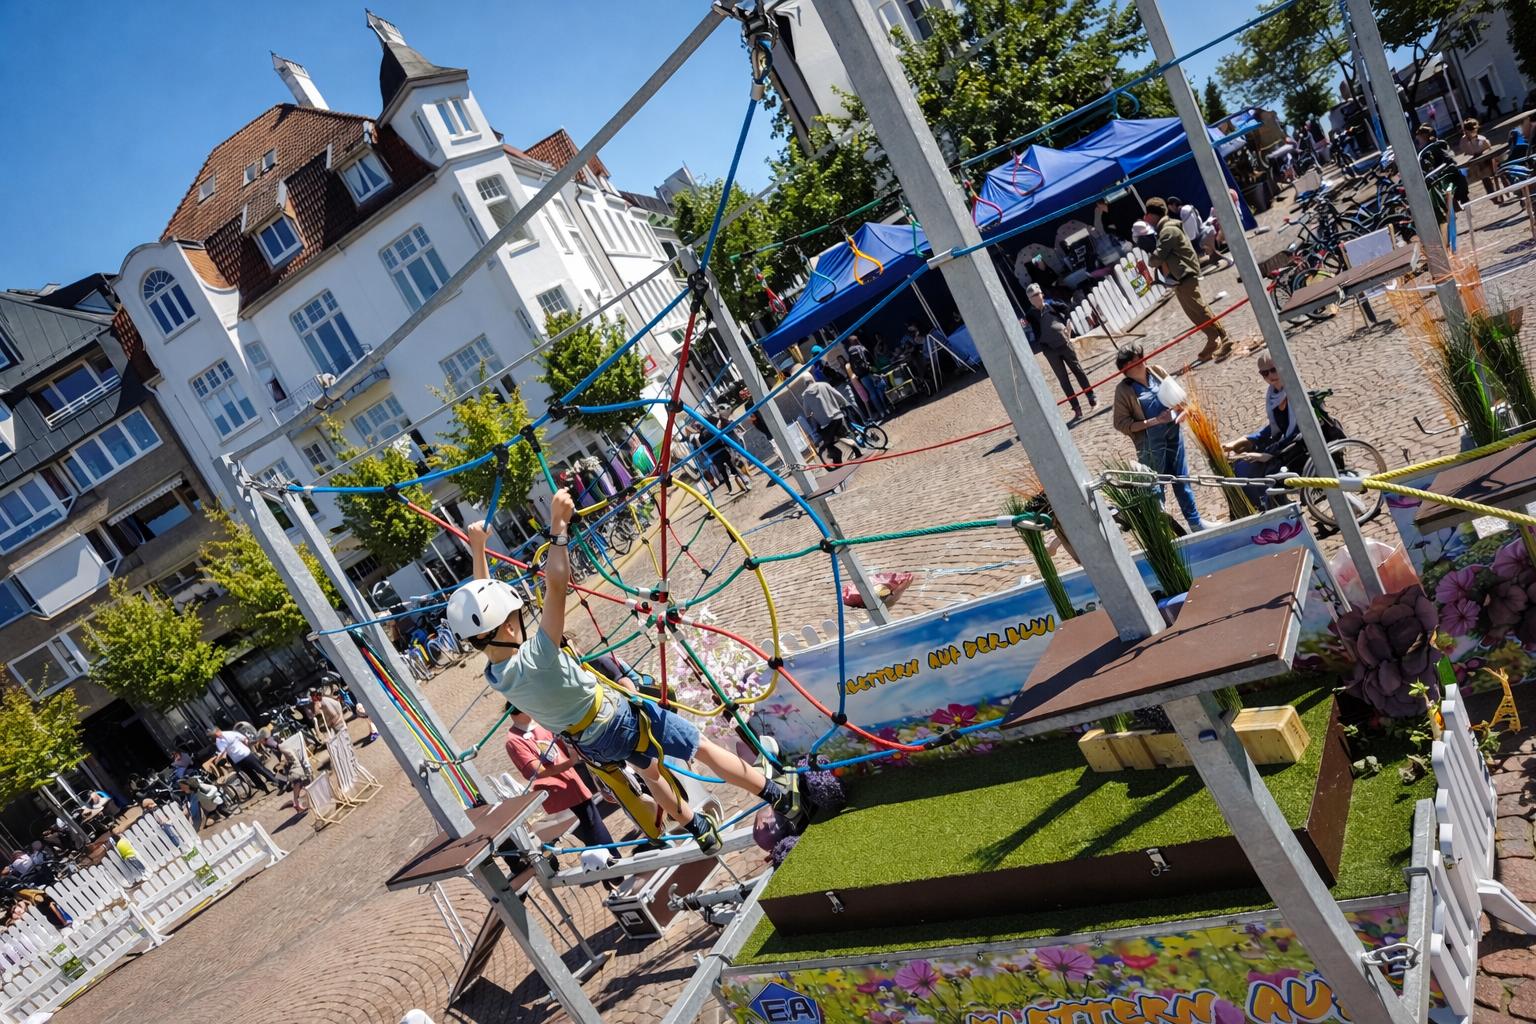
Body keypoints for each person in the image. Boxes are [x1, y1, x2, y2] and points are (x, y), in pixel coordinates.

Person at [449, 504, 809, 855]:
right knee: (703, 748)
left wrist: (477, 548)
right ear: (510, 625)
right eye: (515, 616)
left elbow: (484, 611)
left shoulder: (496, 675)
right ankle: (781, 797)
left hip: (593, 745)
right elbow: (557, 586)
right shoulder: (538, 655)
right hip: (618, 719)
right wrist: (558, 528)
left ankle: (699, 830)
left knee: (652, 774)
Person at [1111, 344, 1207, 532]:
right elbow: (1121, 424)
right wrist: (1153, 421)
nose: (1140, 362)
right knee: (1154, 488)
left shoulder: (1156, 371)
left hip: (1173, 435)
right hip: (1149, 444)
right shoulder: (1123, 390)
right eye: (1133, 360)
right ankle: (1163, 531)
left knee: (1182, 479)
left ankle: (1195, 522)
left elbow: (1180, 398)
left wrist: (1185, 410)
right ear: (1125, 368)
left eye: (1140, 356)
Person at [504, 707, 615, 861]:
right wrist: (570, 762)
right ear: (520, 711)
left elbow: (563, 748)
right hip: (557, 790)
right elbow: (538, 771)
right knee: (590, 824)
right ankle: (613, 865)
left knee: (589, 825)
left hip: (572, 782)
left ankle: (608, 869)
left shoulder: (541, 724)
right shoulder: (514, 740)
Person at [1144, 198, 1232, 363]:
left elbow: (1157, 258)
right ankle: (1213, 338)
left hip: (1185, 275)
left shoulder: (1167, 231)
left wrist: (1151, 259)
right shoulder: (1165, 229)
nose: (1146, 219)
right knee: (1193, 312)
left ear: (1151, 215)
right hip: (1179, 278)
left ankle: (1223, 338)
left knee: (1199, 308)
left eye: (1147, 215)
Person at [1224, 353, 1303, 506]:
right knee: (1238, 467)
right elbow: (1276, 427)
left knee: (1251, 470)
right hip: (1282, 444)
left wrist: (1268, 454)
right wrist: (1244, 440)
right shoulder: (1273, 395)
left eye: (1273, 370)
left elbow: (1296, 431)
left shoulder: (1294, 392)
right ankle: (1266, 507)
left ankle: (1270, 506)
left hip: (1295, 447)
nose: (1270, 376)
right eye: (1264, 373)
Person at [1023, 283, 1096, 421]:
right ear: (1030, 300)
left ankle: (1091, 395)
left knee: (1077, 369)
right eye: (1033, 297)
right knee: (1063, 379)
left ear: (1042, 294)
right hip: (1049, 350)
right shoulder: (1030, 315)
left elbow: (1067, 308)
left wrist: (1068, 323)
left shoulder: (1052, 305)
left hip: (1064, 343)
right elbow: (1024, 324)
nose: (1036, 298)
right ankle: (1076, 408)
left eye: (1038, 294)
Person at [801, 376, 862, 466]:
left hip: (825, 423)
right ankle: (854, 451)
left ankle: (838, 456)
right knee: (842, 435)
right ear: (812, 379)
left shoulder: (805, 395)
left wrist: (813, 415)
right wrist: (844, 404)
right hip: (837, 416)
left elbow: (807, 413)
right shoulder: (824, 385)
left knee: (828, 442)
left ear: (805, 384)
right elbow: (839, 396)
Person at [211, 727, 280, 795]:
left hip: (246, 754)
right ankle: (264, 788)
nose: (217, 736)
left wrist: (246, 742)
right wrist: (220, 756)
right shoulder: (218, 741)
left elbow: (243, 738)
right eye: (216, 736)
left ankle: (276, 781)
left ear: (219, 731)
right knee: (251, 774)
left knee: (260, 769)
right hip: (238, 760)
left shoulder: (230, 733)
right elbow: (223, 751)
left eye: (217, 734)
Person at [845, 335, 891, 420]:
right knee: (880, 388)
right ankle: (887, 408)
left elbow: (852, 366)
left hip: (862, 376)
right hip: (871, 372)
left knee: (872, 393)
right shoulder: (861, 348)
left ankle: (881, 413)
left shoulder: (850, 353)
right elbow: (871, 359)